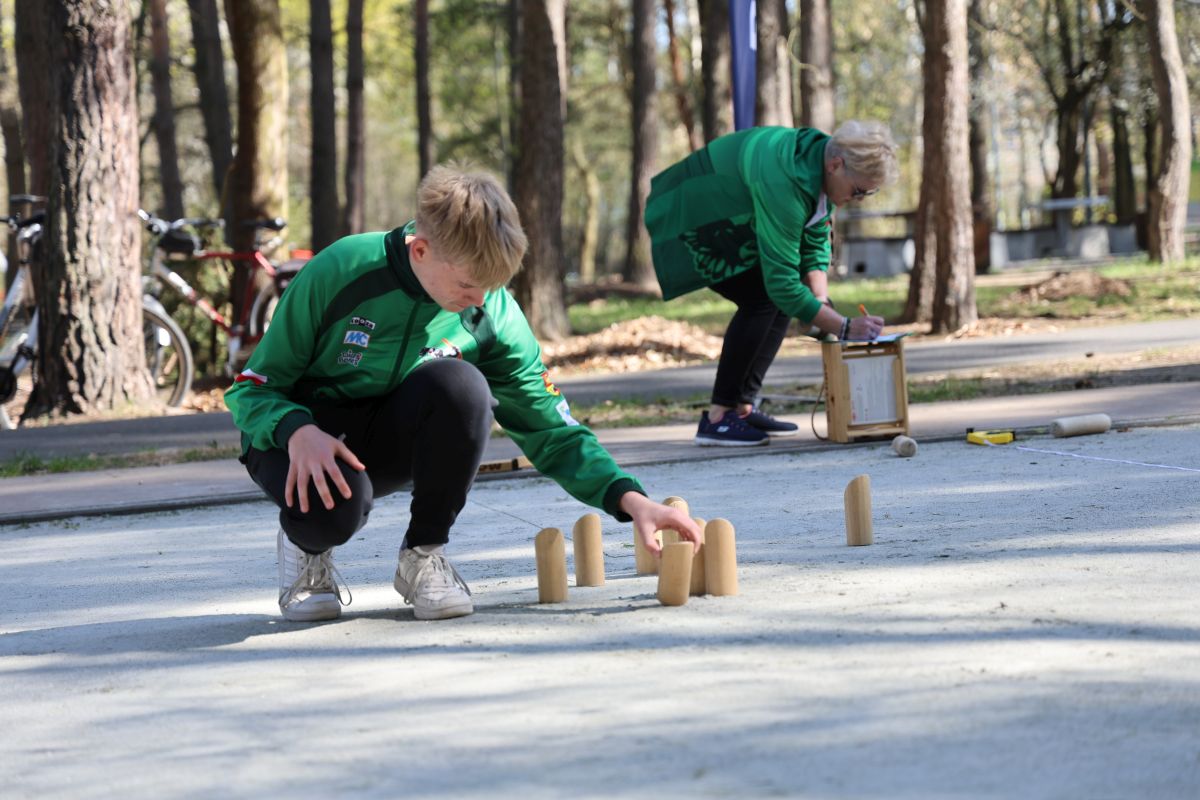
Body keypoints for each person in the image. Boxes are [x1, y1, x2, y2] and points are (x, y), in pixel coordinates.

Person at [226, 164, 701, 623]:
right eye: (468, 284)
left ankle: (423, 556)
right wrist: (296, 430)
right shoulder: (342, 270)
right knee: (337, 513)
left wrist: (628, 498)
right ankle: (306, 549)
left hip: (385, 439)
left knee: (464, 386)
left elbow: (550, 426)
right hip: (298, 442)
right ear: (421, 251)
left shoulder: (490, 309)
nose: (479, 301)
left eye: (492, 287)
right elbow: (251, 391)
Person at [644, 121, 899, 447]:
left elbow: (816, 231)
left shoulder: (818, 161)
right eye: (859, 190)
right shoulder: (785, 180)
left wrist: (820, 298)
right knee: (765, 296)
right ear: (836, 165)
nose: (859, 199)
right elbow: (781, 284)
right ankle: (719, 417)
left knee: (775, 295)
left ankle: (742, 407)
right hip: (693, 214)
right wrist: (844, 327)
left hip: (734, 212)